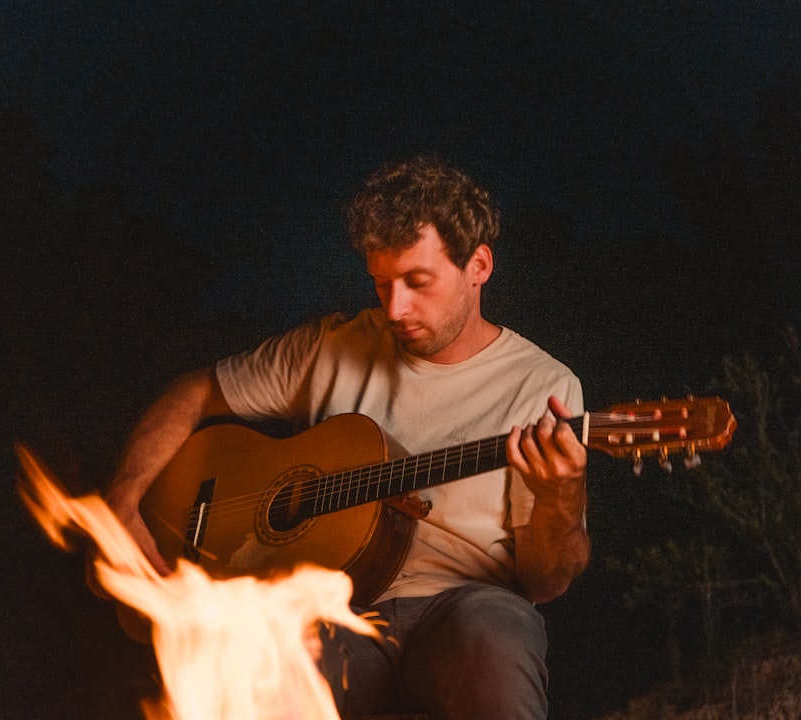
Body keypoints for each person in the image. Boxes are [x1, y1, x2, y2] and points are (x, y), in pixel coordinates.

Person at [103, 155, 590, 719]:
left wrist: (560, 499)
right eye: (382, 283)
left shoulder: (543, 387)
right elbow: (195, 391)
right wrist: (123, 497)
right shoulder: (329, 347)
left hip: (465, 608)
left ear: (478, 265)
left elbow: (546, 581)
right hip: (327, 615)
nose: (395, 307)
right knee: (247, 680)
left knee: (494, 639)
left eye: (417, 281)